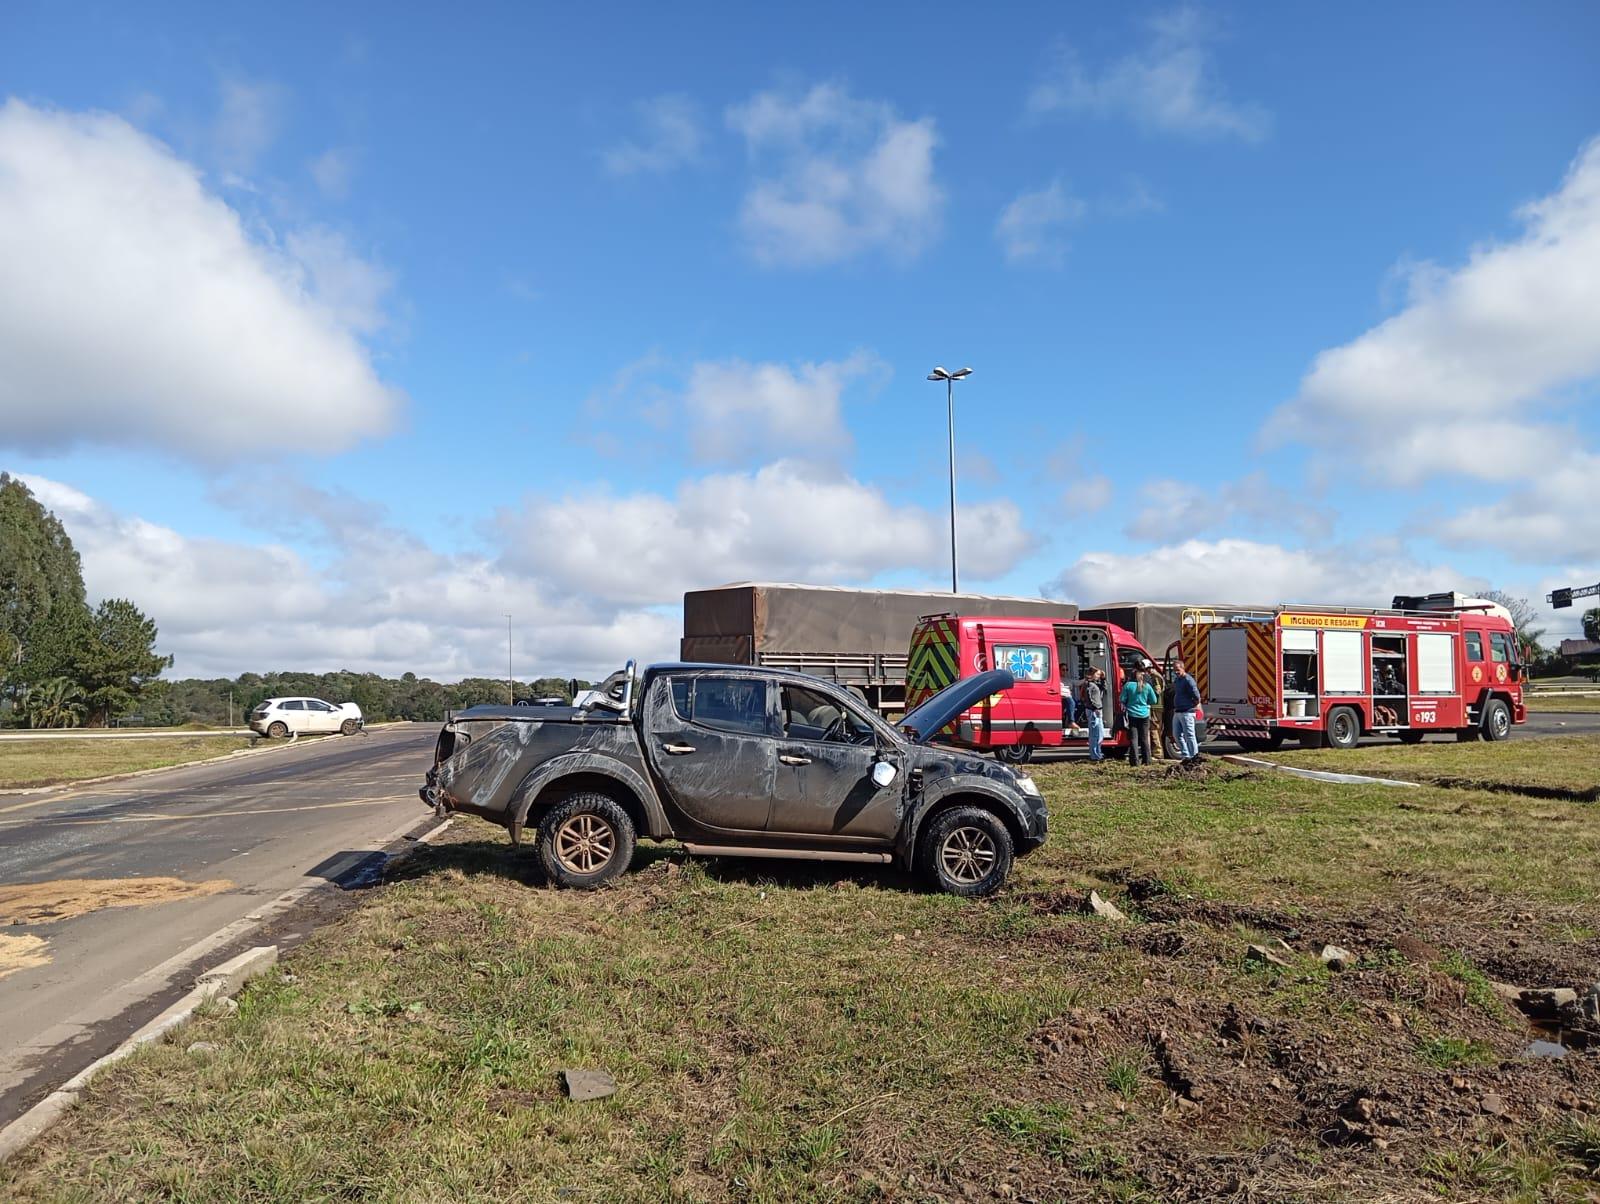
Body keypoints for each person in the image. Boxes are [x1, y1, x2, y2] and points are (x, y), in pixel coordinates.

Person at [1119, 669, 1158, 766]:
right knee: (1144, 738)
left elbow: (1122, 699)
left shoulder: (1128, 686)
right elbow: (1154, 700)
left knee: (1133, 739)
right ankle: (1147, 760)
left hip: (1132, 714)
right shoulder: (1147, 686)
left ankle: (1134, 761)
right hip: (1144, 714)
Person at [1172, 659, 1201, 762]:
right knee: (1176, 734)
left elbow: (1196, 695)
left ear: (1183, 668)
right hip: (1178, 711)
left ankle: (1194, 756)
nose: (1176, 672)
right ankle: (1186, 755)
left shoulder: (1188, 680)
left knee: (1189, 735)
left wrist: (1194, 704)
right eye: (1174, 670)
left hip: (1187, 712)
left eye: (1178, 669)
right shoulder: (1177, 680)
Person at [1146, 661, 1171, 759]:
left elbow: (1157, 691)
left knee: (1154, 729)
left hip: (1156, 707)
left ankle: (1157, 754)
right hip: (1155, 707)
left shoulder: (1155, 677)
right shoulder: (1154, 676)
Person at [1083, 669, 1106, 762]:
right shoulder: (1089, 684)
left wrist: (1103, 678)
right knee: (1095, 734)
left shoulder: (1094, 684)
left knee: (1099, 733)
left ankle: (1098, 753)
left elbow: (1103, 687)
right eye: (1097, 674)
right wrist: (1095, 707)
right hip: (1094, 711)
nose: (1098, 676)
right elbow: (1090, 697)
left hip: (1097, 710)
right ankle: (1095, 755)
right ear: (1091, 674)